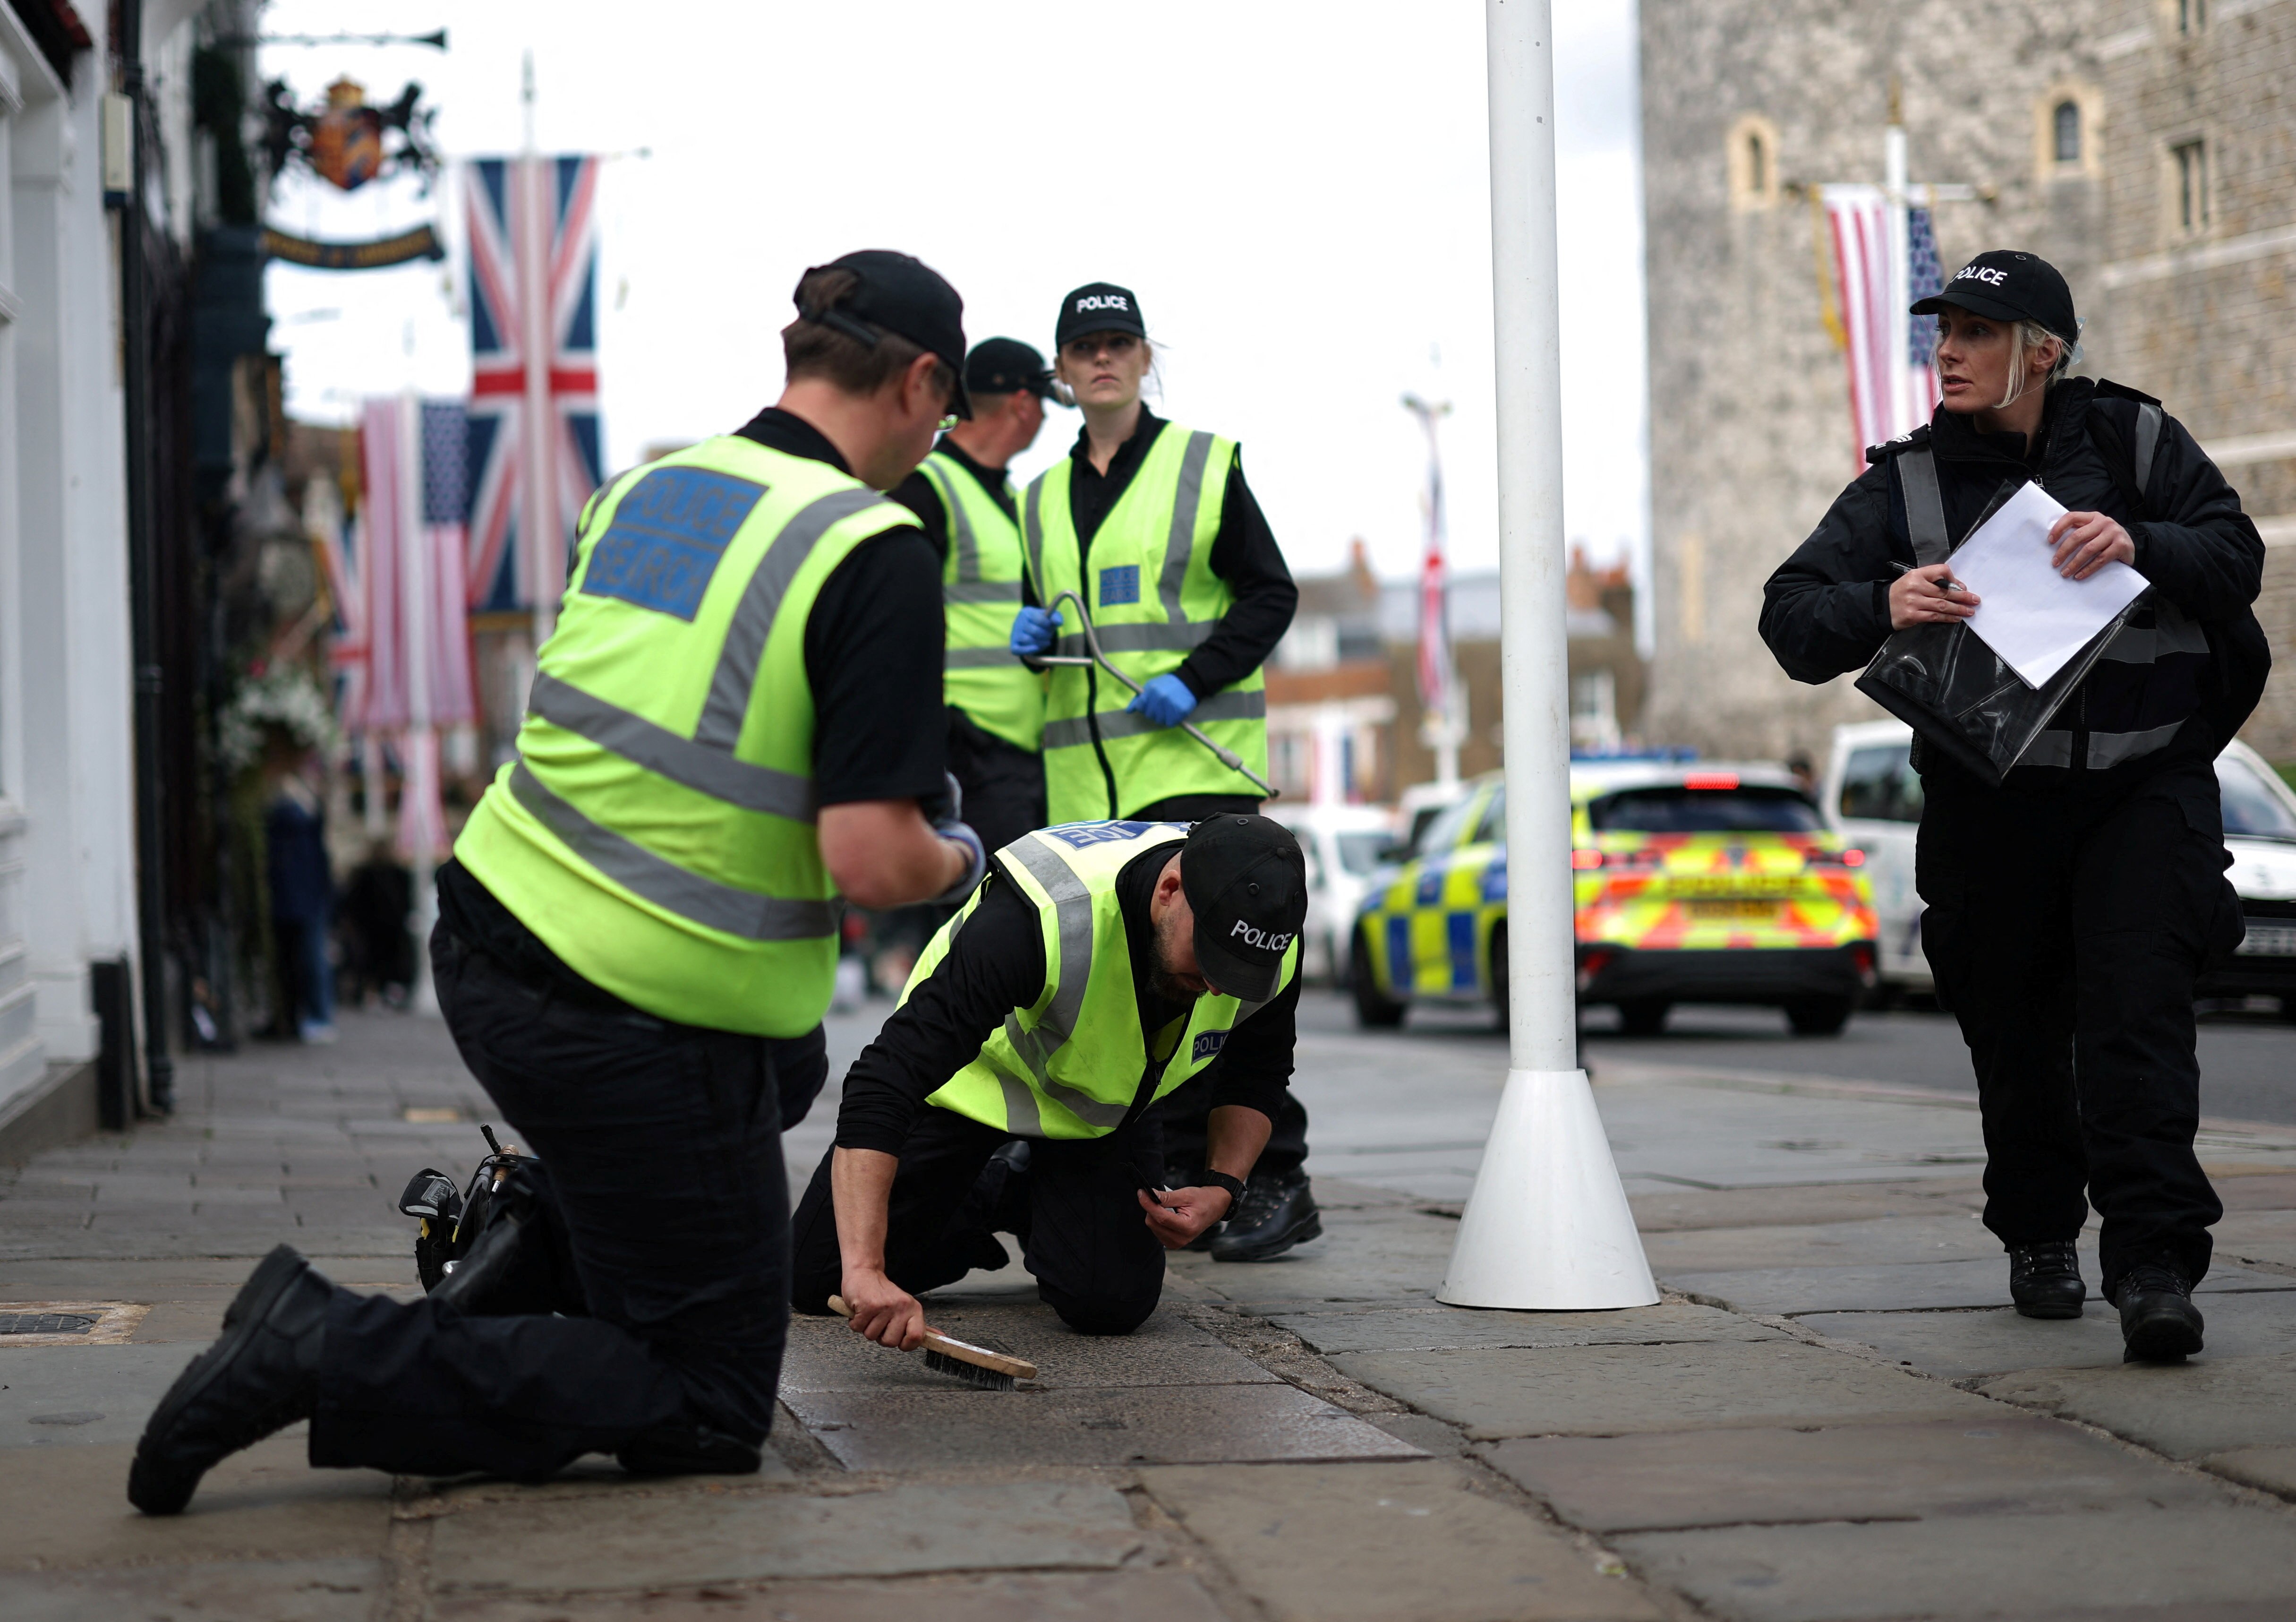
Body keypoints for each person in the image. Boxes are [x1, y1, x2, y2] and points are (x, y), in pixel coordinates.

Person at [128, 249, 990, 1513]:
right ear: (922, 383)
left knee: (783, 1068)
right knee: (704, 1401)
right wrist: (958, 851)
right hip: (629, 1018)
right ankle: (321, 1343)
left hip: (488, 940)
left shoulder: (644, 492)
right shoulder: (873, 549)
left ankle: (545, 1248)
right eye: (948, 409)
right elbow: (871, 853)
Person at [1760, 249, 2267, 1364]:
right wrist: (1878, 599)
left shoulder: (2137, 443)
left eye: (1975, 333)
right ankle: (2038, 1231)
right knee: (2017, 1031)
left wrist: (2140, 540)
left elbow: (2236, 557)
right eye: (1942, 330)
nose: (1945, 349)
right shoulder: (1906, 484)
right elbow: (1789, 618)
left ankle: (2150, 1266)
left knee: (2137, 1022)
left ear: (2041, 351)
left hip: (2143, 788)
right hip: (1991, 805)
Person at [1007, 282, 1314, 1262]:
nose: (1102, 358)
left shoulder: (1201, 466)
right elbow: (1060, 625)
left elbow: (1270, 595)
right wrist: (1030, 642)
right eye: (1083, 345)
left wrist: (1193, 678)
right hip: (1089, 801)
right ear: (1061, 372)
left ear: (1146, 358)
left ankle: (1274, 1177)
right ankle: (1176, 1176)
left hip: (1192, 766)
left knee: (1229, 984)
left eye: (1120, 342)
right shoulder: (1038, 500)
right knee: (1145, 992)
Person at [791, 815, 1306, 1342]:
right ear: (1169, 891)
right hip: (970, 1086)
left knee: (1109, 1305)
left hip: (1100, 1115)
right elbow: (884, 1080)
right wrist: (866, 1269)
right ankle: (989, 1188)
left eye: (1238, 969)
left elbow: (1259, 1072)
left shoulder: (1264, 938)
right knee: (819, 1280)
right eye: (1209, 956)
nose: (1220, 986)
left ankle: (1026, 1194)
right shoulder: (1041, 917)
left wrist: (1223, 1186)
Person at [890, 337, 1063, 857]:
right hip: (963, 750)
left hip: (1016, 751)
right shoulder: (926, 487)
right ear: (1022, 404)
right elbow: (895, 621)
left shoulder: (1011, 499)